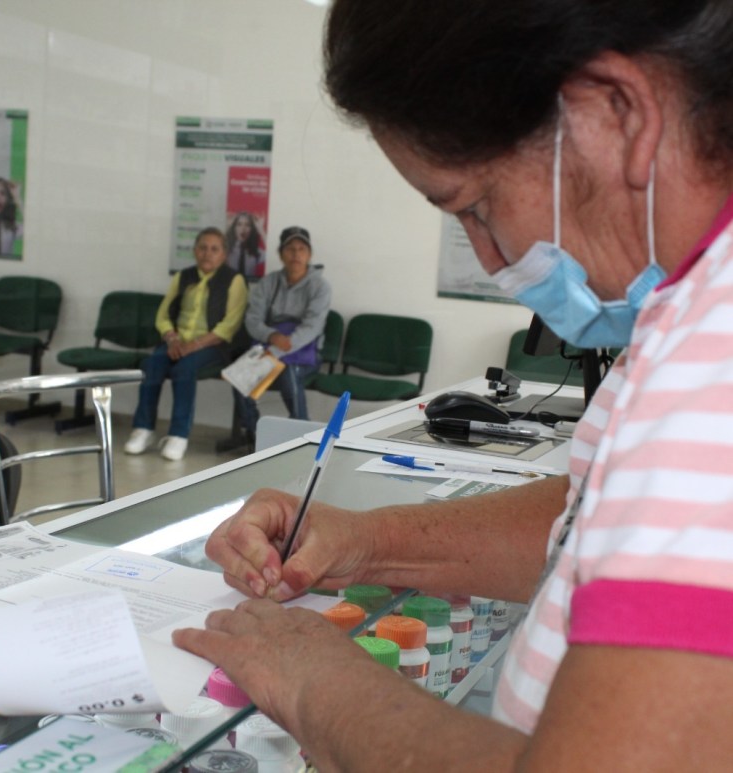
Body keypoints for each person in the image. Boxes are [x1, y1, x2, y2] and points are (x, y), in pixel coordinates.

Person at [172, 1, 733, 769]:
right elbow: (599, 526)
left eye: (476, 206)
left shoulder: (714, 355)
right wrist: (369, 542)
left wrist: (316, 685)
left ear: (617, 114)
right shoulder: (691, 311)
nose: (495, 263)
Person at [124, 227, 248, 461]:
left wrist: (194, 345)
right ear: (194, 251)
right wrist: (172, 339)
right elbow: (163, 315)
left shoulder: (234, 280)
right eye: (202, 248)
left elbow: (229, 326)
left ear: (224, 254)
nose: (207, 254)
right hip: (177, 342)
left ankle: (178, 435)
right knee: (152, 364)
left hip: (213, 346)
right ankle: (143, 429)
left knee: (184, 369)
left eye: (214, 249)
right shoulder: (183, 276)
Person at [232, 226, 332, 446]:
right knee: (240, 377)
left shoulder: (320, 286)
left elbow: (312, 328)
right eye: (290, 249)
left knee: (289, 373)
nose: (296, 254)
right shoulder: (268, 282)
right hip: (269, 344)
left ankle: (302, 437)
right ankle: (254, 435)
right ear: (280, 254)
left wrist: (276, 351)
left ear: (310, 254)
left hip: (303, 351)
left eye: (301, 249)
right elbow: (252, 319)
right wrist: (271, 336)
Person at [225, 211, 266, 279]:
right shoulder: (227, 250)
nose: (243, 228)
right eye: (239, 224)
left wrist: (261, 229)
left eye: (247, 225)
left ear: (252, 229)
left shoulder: (256, 252)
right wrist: (227, 226)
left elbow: (272, 254)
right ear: (234, 228)